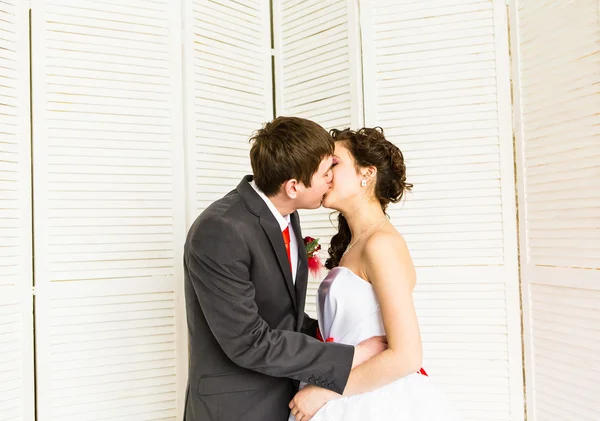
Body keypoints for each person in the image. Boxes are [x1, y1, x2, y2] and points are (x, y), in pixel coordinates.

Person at [183, 117, 387, 421]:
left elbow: (281, 315)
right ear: (293, 187)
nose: (332, 178)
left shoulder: (286, 214)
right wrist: (352, 356)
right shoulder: (221, 230)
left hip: (288, 396)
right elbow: (247, 341)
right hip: (237, 408)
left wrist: (349, 335)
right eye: (325, 172)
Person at [288, 127, 460, 421]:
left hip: (373, 402)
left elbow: (407, 355)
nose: (324, 172)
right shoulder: (356, 243)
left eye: (334, 163)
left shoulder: (382, 244)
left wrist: (326, 391)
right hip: (347, 385)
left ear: (366, 174)